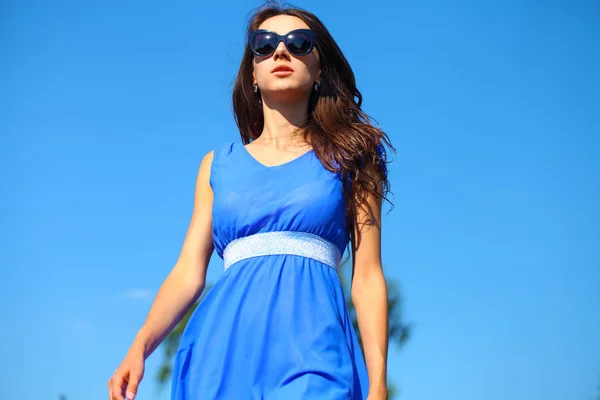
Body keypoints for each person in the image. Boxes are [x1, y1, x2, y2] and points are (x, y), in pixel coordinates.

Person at [108, 2, 393, 399]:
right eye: (265, 44)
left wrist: (377, 382)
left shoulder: (353, 158)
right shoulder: (216, 165)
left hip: (316, 352)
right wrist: (139, 347)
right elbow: (189, 274)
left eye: (299, 42)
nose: (281, 51)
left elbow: (367, 278)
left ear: (320, 70)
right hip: (221, 354)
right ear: (253, 73)